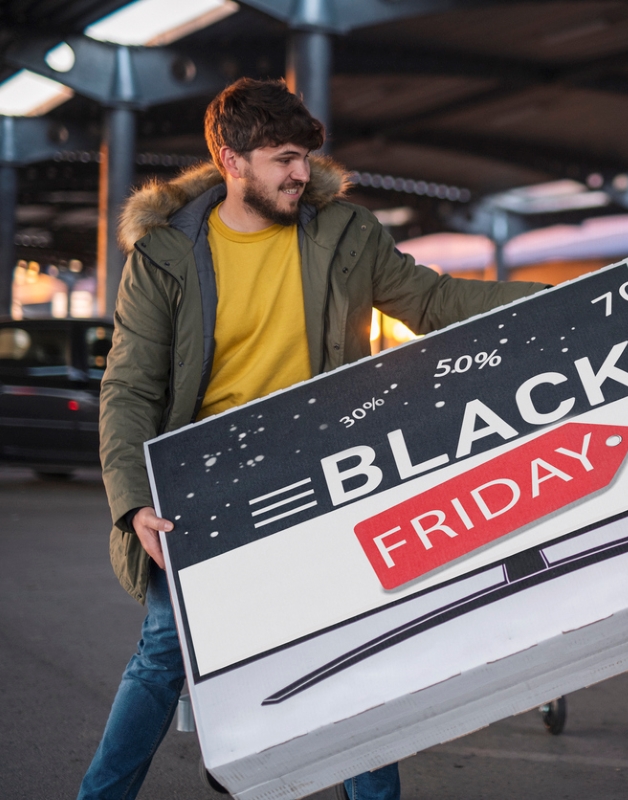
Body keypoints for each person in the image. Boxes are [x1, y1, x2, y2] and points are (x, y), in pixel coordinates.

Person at [80, 77, 547, 800]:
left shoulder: (344, 233)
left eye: (305, 158)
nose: (302, 174)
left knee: (350, 655)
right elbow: (131, 388)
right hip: (204, 483)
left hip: (327, 471)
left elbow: (434, 301)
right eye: (283, 158)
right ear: (233, 161)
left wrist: (567, 298)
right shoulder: (167, 256)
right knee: (164, 655)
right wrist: (133, 503)